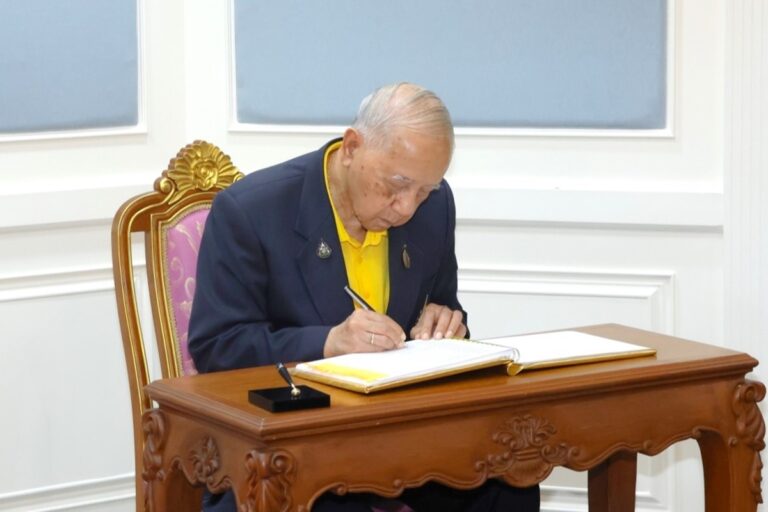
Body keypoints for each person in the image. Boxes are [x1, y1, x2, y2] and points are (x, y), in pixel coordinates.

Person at [188, 83, 539, 511]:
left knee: (510, 477)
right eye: (397, 184)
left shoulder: (434, 207)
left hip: (402, 437)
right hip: (294, 446)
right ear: (352, 147)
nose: (407, 207)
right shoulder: (252, 211)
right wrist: (327, 343)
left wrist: (446, 322)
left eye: (424, 191)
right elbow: (218, 346)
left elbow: (443, 303)